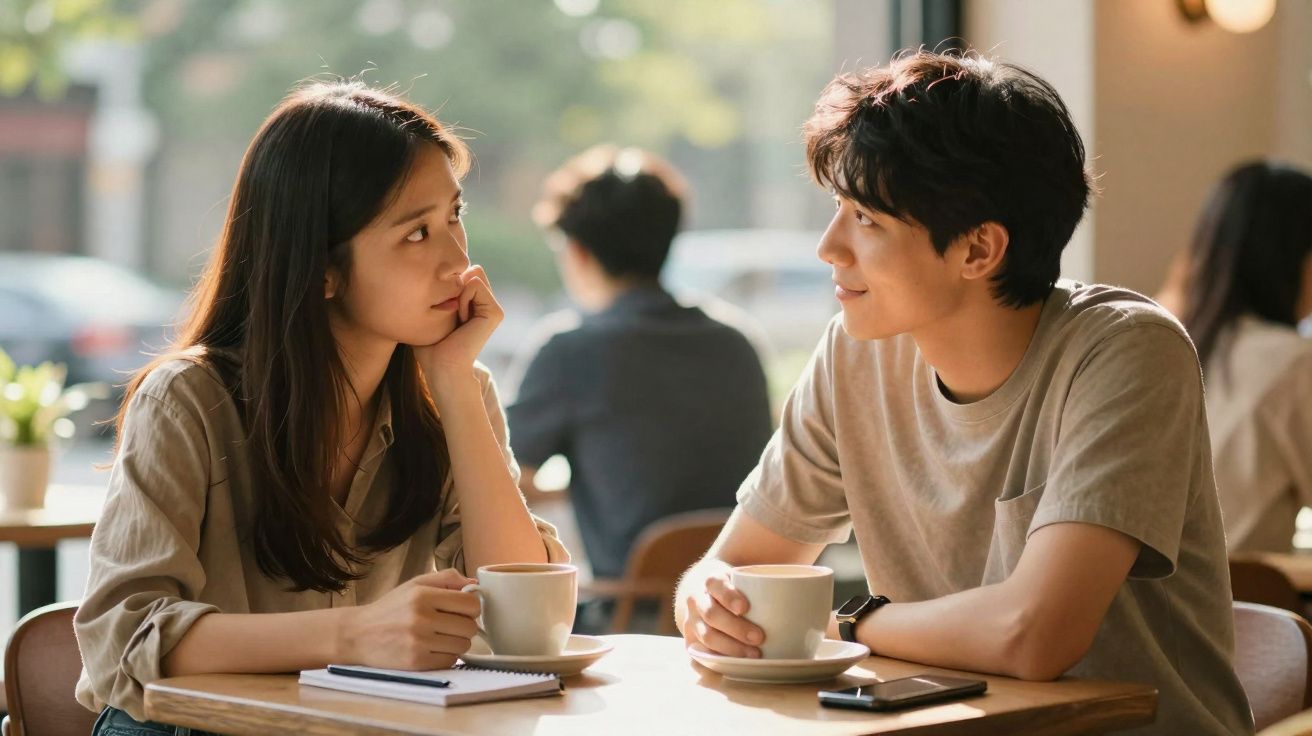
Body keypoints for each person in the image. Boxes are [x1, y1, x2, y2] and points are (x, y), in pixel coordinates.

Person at [675, 50, 1253, 735]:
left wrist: (844, 622)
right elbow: (731, 568)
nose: (829, 247)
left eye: (867, 220)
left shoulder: (1126, 351)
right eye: (839, 210)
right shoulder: (853, 354)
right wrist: (708, 603)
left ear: (979, 251)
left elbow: (1034, 634)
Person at [74, 80, 568, 733]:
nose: (458, 262)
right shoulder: (189, 401)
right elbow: (124, 639)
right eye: (417, 233)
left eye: (455, 215)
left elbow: (525, 615)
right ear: (321, 270)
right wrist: (355, 635)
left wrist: (455, 384)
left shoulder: (451, 391)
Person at [506, 145, 773, 591]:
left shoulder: (571, 351)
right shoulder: (736, 342)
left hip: (627, 617)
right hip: (740, 607)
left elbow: (503, 481)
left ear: (578, 253)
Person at [1171, 162, 1312, 552]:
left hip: (1151, 601)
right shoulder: (1293, 361)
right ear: (1292, 257)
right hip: (1245, 606)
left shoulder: (1171, 341)